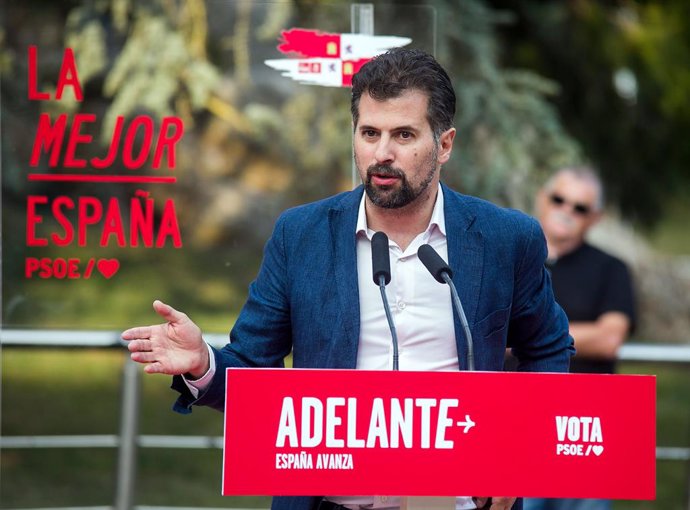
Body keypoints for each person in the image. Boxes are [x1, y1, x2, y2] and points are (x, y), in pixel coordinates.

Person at [122, 48, 574, 510]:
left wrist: (520, 458)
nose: (382, 153)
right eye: (369, 133)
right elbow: (254, 369)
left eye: (403, 135)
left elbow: (548, 348)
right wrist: (204, 363)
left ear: (444, 144)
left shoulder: (505, 238)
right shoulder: (301, 235)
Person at [523, 167, 636, 510]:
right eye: (559, 199)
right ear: (542, 199)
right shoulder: (514, 258)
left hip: (587, 425)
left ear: (595, 217)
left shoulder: (612, 268)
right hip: (520, 419)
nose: (567, 211)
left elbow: (609, 338)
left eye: (580, 207)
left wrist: (529, 335)